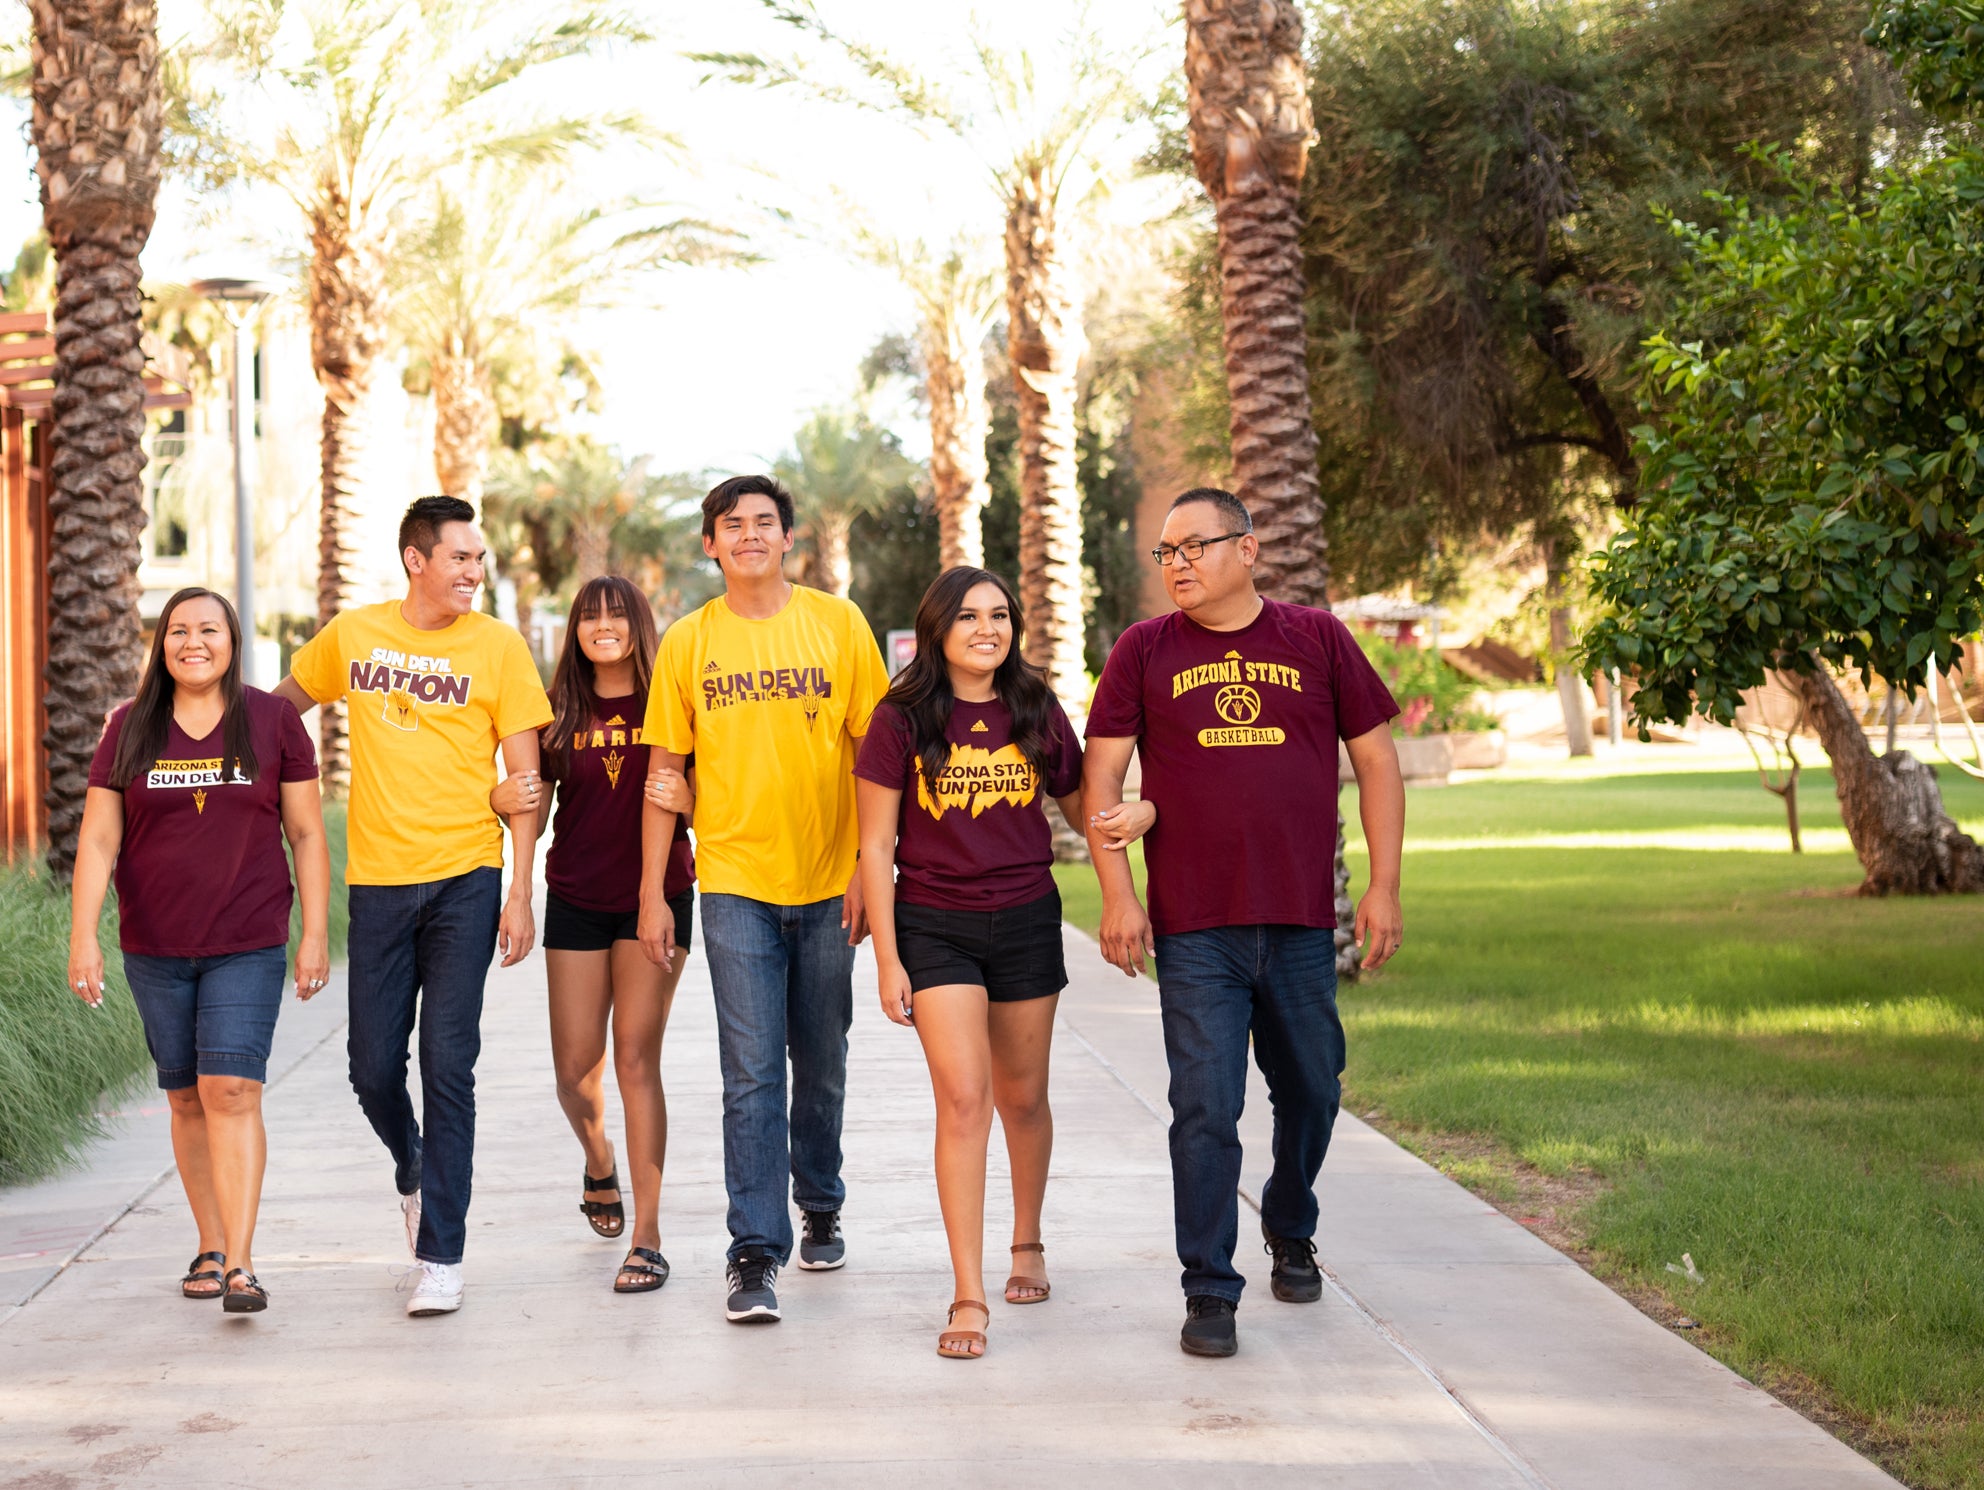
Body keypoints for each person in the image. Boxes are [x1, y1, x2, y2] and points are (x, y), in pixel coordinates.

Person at [1083, 487, 1406, 1359]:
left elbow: (1376, 760)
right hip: (1197, 930)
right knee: (1204, 1106)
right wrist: (1119, 895)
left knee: (1314, 1087)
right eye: (1166, 552)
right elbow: (1099, 785)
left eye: (1195, 545)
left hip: (1301, 921)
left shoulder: (1318, 639)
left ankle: (1290, 1222)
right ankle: (1208, 1290)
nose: (1178, 563)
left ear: (1249, 549)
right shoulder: (1143, 651)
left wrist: (1383, 886)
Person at [854, 567, 1155, 1359]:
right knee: (964, 1100)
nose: (987, 628)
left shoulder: (1036, 709)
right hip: (934, 926)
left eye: (1000, 615)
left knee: (1023, 1097)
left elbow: (1086, 809)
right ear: (937, 629)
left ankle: (1028, 1240)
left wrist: (1124, 887)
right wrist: (888, 960)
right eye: (969, 616)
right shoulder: (902, 718)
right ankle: (967, 1292)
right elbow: (876, 845)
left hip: (1025, 920)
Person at [273, 496, 551, 1318]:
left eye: (479, 559)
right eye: (460, 558)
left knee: (448, 1063)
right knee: (369, 1066)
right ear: (415, 559)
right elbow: (276, 711)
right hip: (381, 884)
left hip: (466, 877)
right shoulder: (354, 636)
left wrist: (519, 890)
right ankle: (412, 1164)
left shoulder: (498, 648)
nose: (474, 572)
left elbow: (526, 783)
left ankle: (442, 1254)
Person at [638, 473, 889, 1324]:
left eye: (765, 523)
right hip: (735, 884)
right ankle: (754, 1250)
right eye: (732, 525)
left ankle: (820, 1197)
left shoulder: (839, 625)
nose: (749, 535)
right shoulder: (688, 642)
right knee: (749, 1073)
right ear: (710, 544)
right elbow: (663, 774)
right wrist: (653, 889)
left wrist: (869, 867)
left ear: (789, 539)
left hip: (828, 881)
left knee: (820, 1059)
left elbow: (876, 756)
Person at [68, 587, 330, 1315]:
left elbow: (306, 834)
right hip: (153, 945)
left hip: (246, 941)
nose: (193, 642)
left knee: (231, 1090)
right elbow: (98, 838)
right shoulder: (129, 726)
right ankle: (209, 1243)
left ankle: (242, 1264)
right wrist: (82, 935)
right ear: (161, 644)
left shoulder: (273, 721)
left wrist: (313, 933)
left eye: (208, 629)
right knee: (185, 1096)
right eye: (178, 630)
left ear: (232, 640)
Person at [489, 575, 694, 1294]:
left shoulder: (671, 699)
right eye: (589, 616)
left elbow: (706, 795)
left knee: (636, 1058)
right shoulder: (557, 711)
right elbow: (530, 807)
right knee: (575, 1075)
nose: (603, 626)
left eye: (616, 614)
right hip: (576, 899)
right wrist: (514, 873)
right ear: (575, 630)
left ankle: (648, 1236)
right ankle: (599, 1159)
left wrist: (691, 798)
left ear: (640, 622)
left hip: (658, 900)